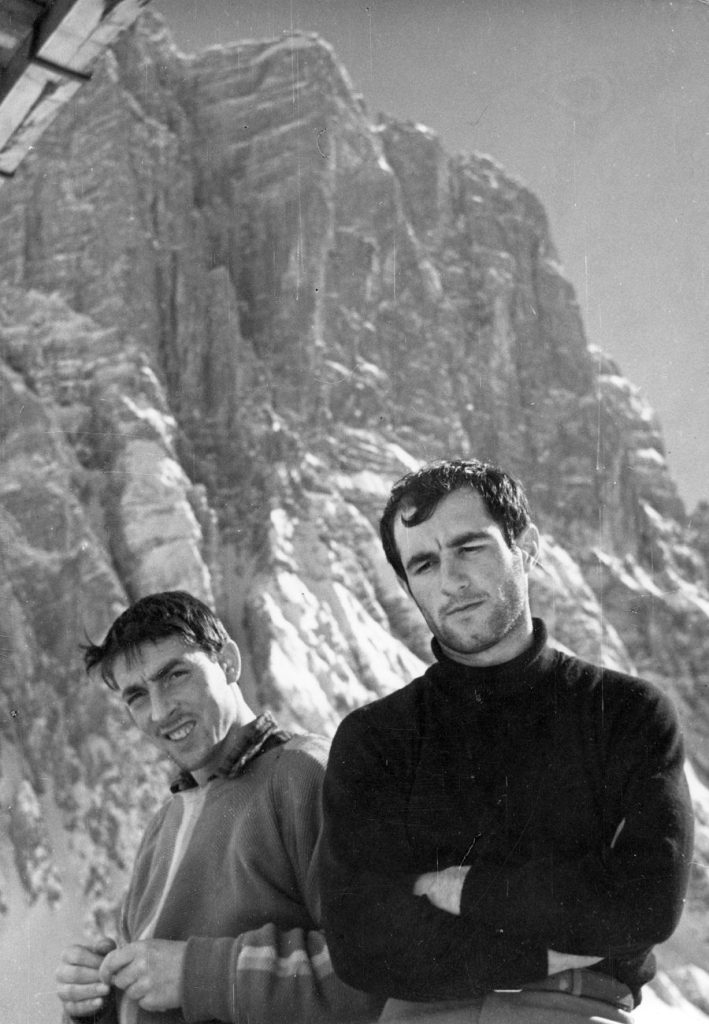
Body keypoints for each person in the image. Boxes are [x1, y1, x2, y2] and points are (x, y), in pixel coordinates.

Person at [320, 459, 694, 1023]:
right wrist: (550, 945)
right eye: (424, 563)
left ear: (526, 546)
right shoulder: (375, 738)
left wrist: (465, 890)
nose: (451, 581)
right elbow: (362, 945)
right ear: (405, 584)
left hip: (577, 1011)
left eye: (470, 547)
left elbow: (647, 904)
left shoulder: (625, 714)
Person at [56, 590, 380, 1024]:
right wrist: (98, 1000)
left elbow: (381, 963)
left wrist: (195, 974)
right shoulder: (163, 825)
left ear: (228, 661)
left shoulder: (304, 774)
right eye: (136, 696)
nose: (159, 710)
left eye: (174, 675)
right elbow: (159, 993)